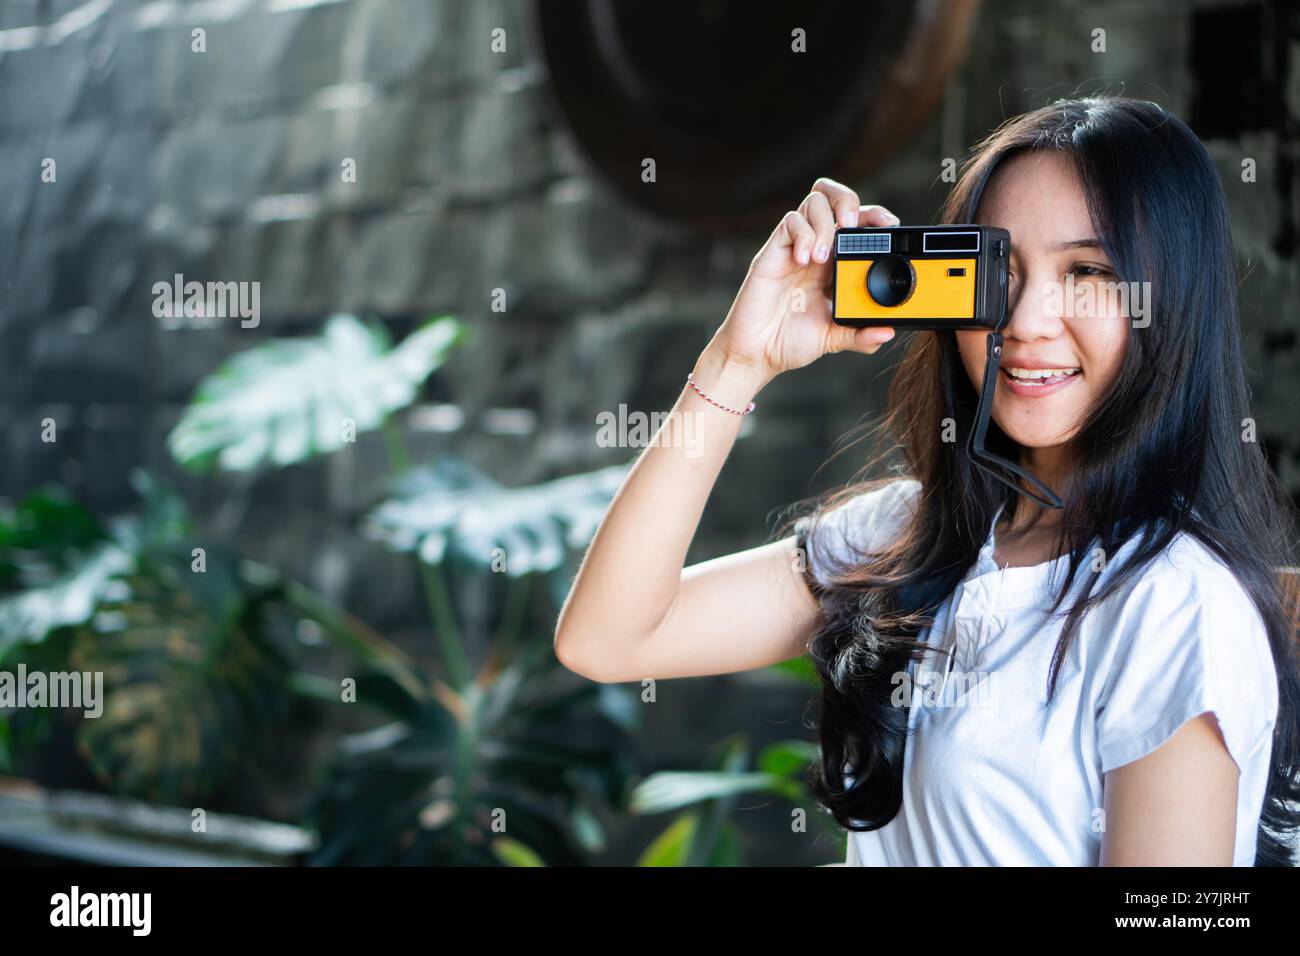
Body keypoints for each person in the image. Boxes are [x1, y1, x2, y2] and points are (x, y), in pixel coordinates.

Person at [553, 96, 1300, 866]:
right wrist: (737, 363)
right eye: (998, 270)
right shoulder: (908, 533)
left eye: (1090, 273)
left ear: (1171, 305)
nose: (1027, 319)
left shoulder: (1172, 605)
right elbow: (607, 638)